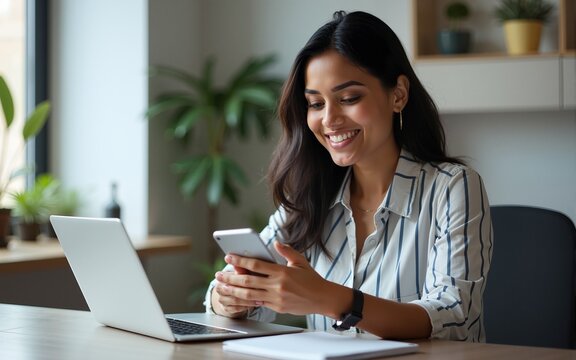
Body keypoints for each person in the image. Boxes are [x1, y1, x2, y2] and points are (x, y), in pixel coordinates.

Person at [205, 10, 492, 342]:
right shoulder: (310, 194)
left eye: (349, 98)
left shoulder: (453, 187)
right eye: (315, 104)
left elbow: (455, 316)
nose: (329, 120)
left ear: (398, 94)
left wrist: (330, 298)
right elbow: (225, 292)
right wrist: (227, 299)